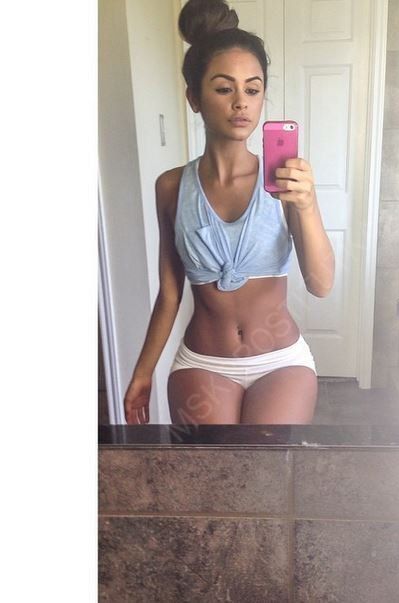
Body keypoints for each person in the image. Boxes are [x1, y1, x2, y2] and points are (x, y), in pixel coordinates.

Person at [123, 0, 335, 425]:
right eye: (224, 89)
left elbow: (321, 285)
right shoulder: (171, 187)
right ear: (194, 98)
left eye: (252, 90)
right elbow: (170, 293)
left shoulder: (285, 180)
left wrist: (307, 205)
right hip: (203, 361)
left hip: (281, 361)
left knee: (265, 463)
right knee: (212, 465)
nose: (241, 102)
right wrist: (143, 372)